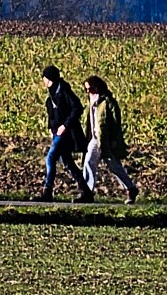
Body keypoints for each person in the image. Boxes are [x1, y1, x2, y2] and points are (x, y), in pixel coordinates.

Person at [80, 75, 139, 204]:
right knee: (89, 162)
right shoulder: (90, 101)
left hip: (105, 139)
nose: (88, 92)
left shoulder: (108, 102)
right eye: (86, 89)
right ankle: (87, 192)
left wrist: (114, 140)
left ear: (97, 87)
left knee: (114, 166)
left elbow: (116, 123)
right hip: (95, 139)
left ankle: (130, 188)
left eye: (90, 89)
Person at [38, 65, 90, 201]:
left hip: (64, 134)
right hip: (57, 133)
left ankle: (47, 191)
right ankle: (86, 191)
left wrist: (65, 126)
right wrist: (51, 127)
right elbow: (53, 114)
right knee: (68, 163)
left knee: (50, 157)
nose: (43, 80)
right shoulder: (53, 94)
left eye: (44, 77)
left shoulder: (64, 92)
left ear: (49, 78)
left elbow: (77, 108)